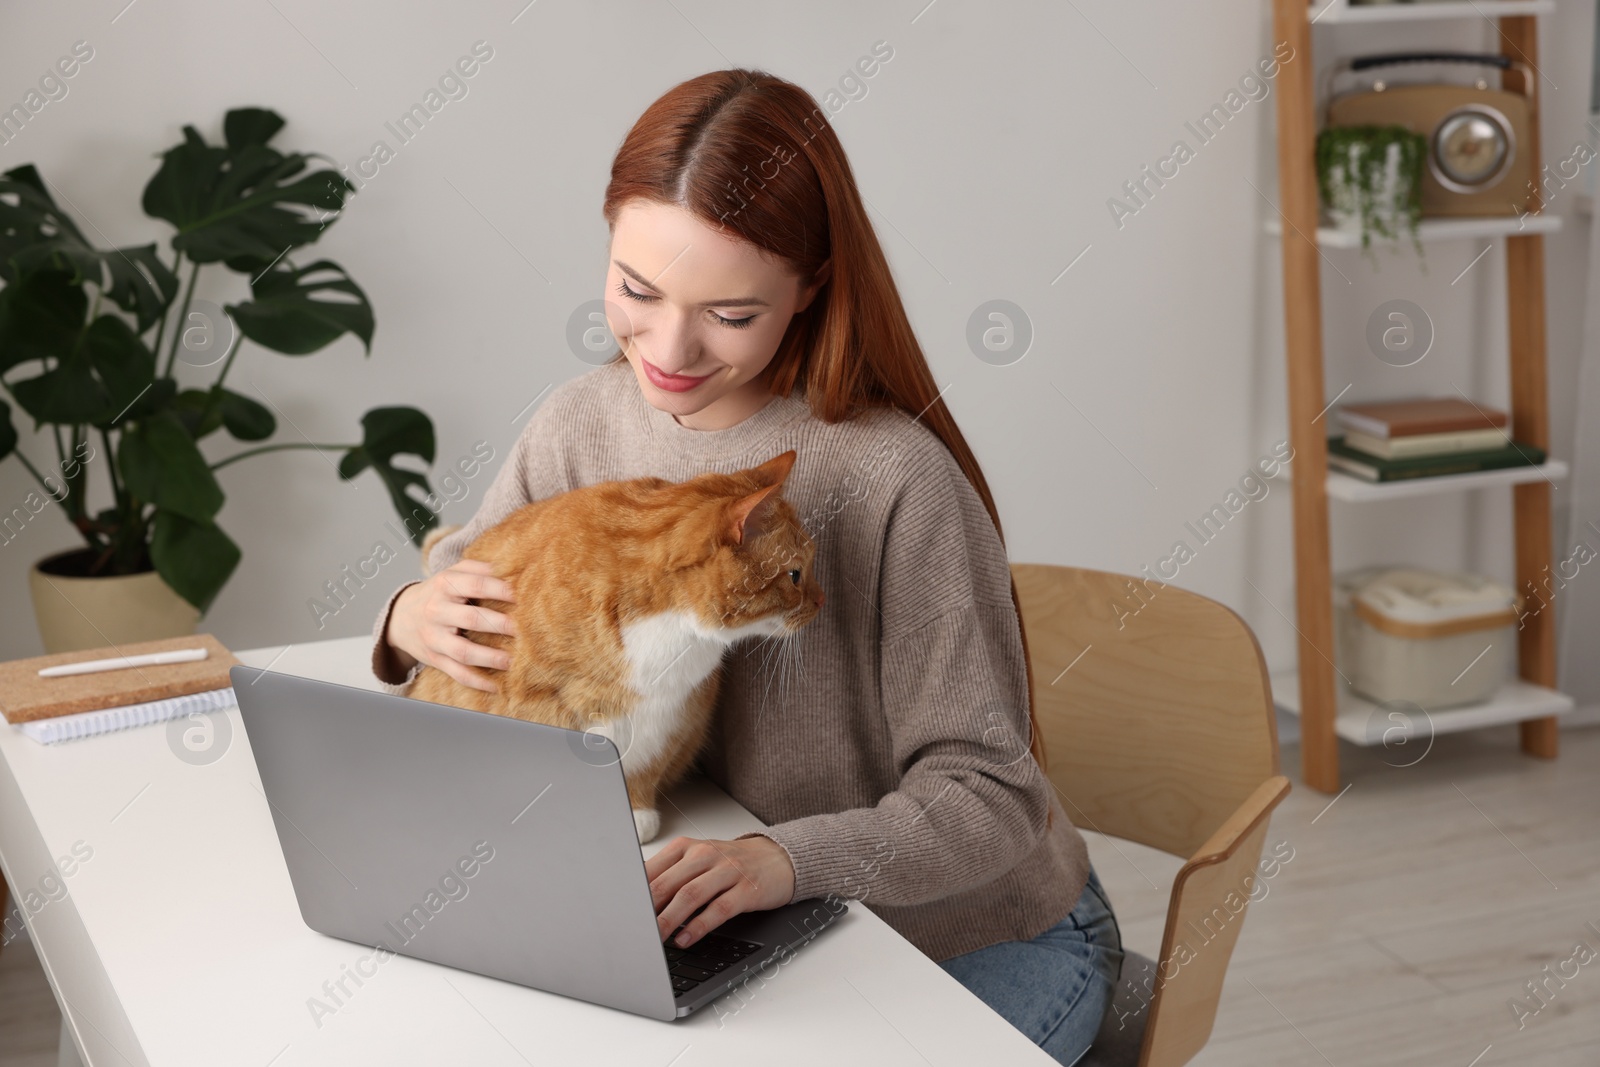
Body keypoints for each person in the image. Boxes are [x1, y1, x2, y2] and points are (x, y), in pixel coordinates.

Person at [369, 68, 1122, 1062]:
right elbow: (482, 563)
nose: (667, 346)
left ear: (809, 287)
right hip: (737, 913)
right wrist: (411, 615)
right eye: (637, 289)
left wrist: (787, 857)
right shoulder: (582, 421)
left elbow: (993, 792)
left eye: (728, 313)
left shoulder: (896, 477)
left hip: (968, 934)